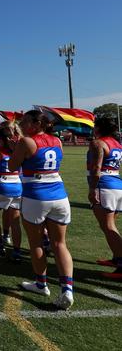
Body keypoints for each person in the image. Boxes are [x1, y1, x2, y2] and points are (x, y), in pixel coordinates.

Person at [9, 110, 74, 310]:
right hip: (59, 195)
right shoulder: (57, 140)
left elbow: (12, 166)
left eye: (25, 121)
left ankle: (41, 284)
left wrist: (15, 148)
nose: (23, 124)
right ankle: (67, 289)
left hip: (36, 196)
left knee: (36, 243)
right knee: (60, 244)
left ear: (35, 123)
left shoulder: (27, 141)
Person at [87, 117, 122, 279]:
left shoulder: (98, 143)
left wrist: (92, 188)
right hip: (116, 184)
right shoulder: (117, 143)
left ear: (99, 128)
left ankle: (121, 264)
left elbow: (96, 168)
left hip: (104, 185)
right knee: (109, 225)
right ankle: (116, 259)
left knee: (108, 226)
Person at [0, 122, 23, 262]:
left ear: (1, 139)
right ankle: (17, 252)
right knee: (15, 221)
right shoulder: (17, 151)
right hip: (17, 186)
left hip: (1, 186)